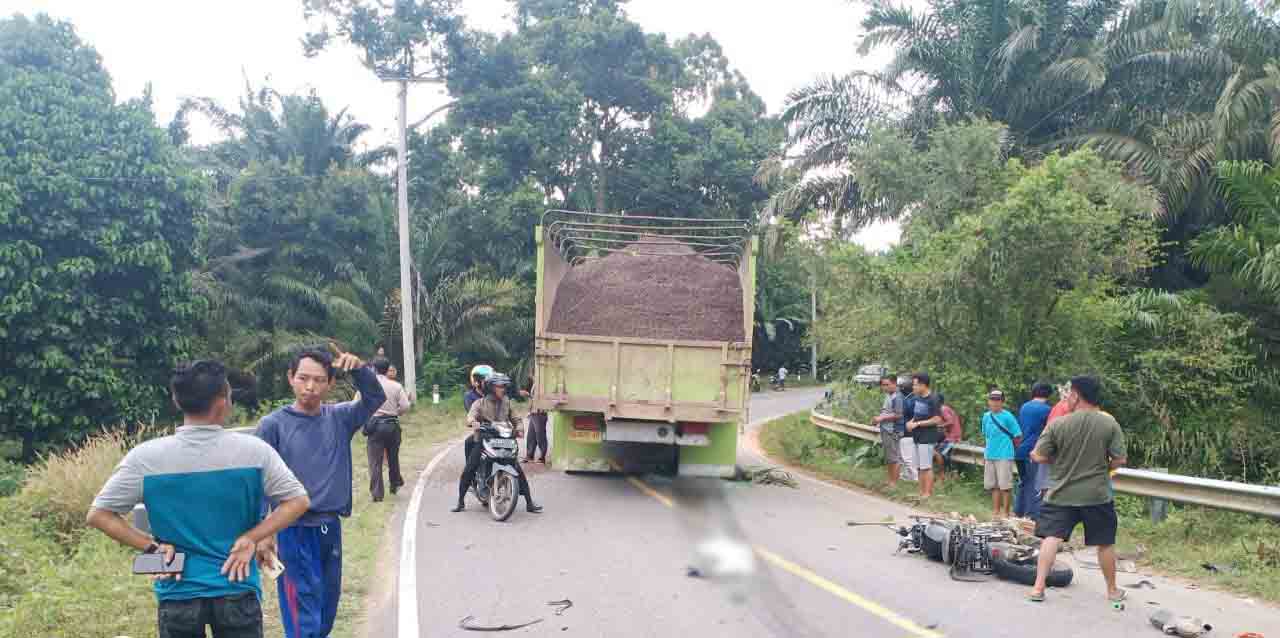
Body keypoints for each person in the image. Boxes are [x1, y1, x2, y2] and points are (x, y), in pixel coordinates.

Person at [87, 360, 311, 638]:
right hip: (237, 585)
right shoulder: (254, 452)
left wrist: (151, 548)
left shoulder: (145, 458)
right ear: (222, 402)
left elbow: (98, 514)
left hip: (177, 590)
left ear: (177, 400)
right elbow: (298, 501)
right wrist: (252, 538)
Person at [255, 346, 385, 638]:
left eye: (318, 380)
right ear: (291, 378)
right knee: (303, 619)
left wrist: (359, 370)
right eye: (303, 378)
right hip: (292, 530)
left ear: (331, 383)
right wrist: (264, 532)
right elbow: (258, 481)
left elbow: (376, 397)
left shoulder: (340, 418)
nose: (310, 387)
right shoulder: (273, 425)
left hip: (329, 528)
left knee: (326, 609)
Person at [1028, 375, 1127, 604]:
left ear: (1076, 395)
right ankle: (1112, 591)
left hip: (1061, 492)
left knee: (1051, 538)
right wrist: (1104, 468)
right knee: (1104, 543)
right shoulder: (1109, 423)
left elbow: (1039, 455)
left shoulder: (1059, 424)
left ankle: (1038, 587)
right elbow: (1119, 459)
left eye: (1070, 394)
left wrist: (1055, 460)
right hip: (1097, 494)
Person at [453, 373, 543, 513]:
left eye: (504, 386)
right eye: (499, 386)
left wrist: (519, 429)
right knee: (469, 469)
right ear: (490, 387)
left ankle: (529, 503)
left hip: (504, 440)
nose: (503, 389)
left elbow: (516, 419)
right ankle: (460, 501)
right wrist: (473, 422)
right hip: (484, 440)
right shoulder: (480, 403)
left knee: (517, 469)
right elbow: (470, 416)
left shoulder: (507, 402)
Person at [364, 357, 411, 502]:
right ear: (387, 370)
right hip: (392, 425)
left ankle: (377, 495)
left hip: (375, 425)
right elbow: (405, 406)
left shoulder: (368, 385)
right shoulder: (396, 386)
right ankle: (394, 484)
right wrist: (395, 412)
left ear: (374, 369)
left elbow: (359, 403)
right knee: (393, 457)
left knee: (375, 461)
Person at [1015, 382, 1054, 519]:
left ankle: (1018, 512)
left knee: (1023, 482)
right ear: (1048, 394)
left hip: (1020, 450)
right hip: (1034, 451)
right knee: (1034, 484)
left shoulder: (1024, 407)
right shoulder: (1047, 410)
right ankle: (1031, 516)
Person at [981, 389, 1022, 520]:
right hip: (990, 454)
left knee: (1005, 486)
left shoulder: (1008, 416)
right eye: (992, 399)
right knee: (993, 485)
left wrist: (1011, 449)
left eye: (997, 400)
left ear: (1002, 402)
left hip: (1004, 454)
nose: (994, 403)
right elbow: (985, 435)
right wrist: (986, 452)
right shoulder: (986, 416)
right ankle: (996, 511)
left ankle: (1006, 512)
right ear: (988, 401)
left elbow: (1018, 435)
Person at [905, 372, 944, 498]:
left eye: (915, 385)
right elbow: (917, 416)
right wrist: (910, 423)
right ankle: (921, 492)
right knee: (919, 466)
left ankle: (927, 493)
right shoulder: (917, 398)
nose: (913, 388)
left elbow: (937, 419)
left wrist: (918, 424)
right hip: (916, 436)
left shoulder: (933, 398)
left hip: (927, 437)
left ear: (923, 385)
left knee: (926, 466)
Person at [871, 375, 905, 487]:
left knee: (894, 457)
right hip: (886, 428)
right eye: (883, 385)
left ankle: (894, 482)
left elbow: (898, 414)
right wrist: (878, 419)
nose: (884, 387)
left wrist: (881, 418)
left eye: (887, 384)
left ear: (894, 384)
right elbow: (887, 411)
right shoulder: (889, 396)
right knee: (889, 457)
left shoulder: (898, 397)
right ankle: (890, 480)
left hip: (893, 430)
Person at [934, 393, 963, 487]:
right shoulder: (943, 408)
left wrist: (940, 426)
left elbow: (950, 421)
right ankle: (950, 475)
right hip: (950, 436)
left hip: (952, 437)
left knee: (938, 452)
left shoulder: (943, 409)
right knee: (943, 453)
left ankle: (942, 476)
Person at [523, 373, 549, 464]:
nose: (530, 376)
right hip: (534, 413)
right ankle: (529, 455)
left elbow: (539, 398)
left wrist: (528, 395)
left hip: (539, 413)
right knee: (531, 435)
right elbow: (533, 399)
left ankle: (542, 456)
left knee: (540, 435)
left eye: (531, 375)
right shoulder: (535, 384)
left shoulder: (542, 384)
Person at [898, 377, 919, 482]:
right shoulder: (907, 399)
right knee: (903, 457)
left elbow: (914, 415)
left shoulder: (912, 400)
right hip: (904, 431)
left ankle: (915, 478)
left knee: (908, 458)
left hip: (909, 432)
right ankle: (906, 476)